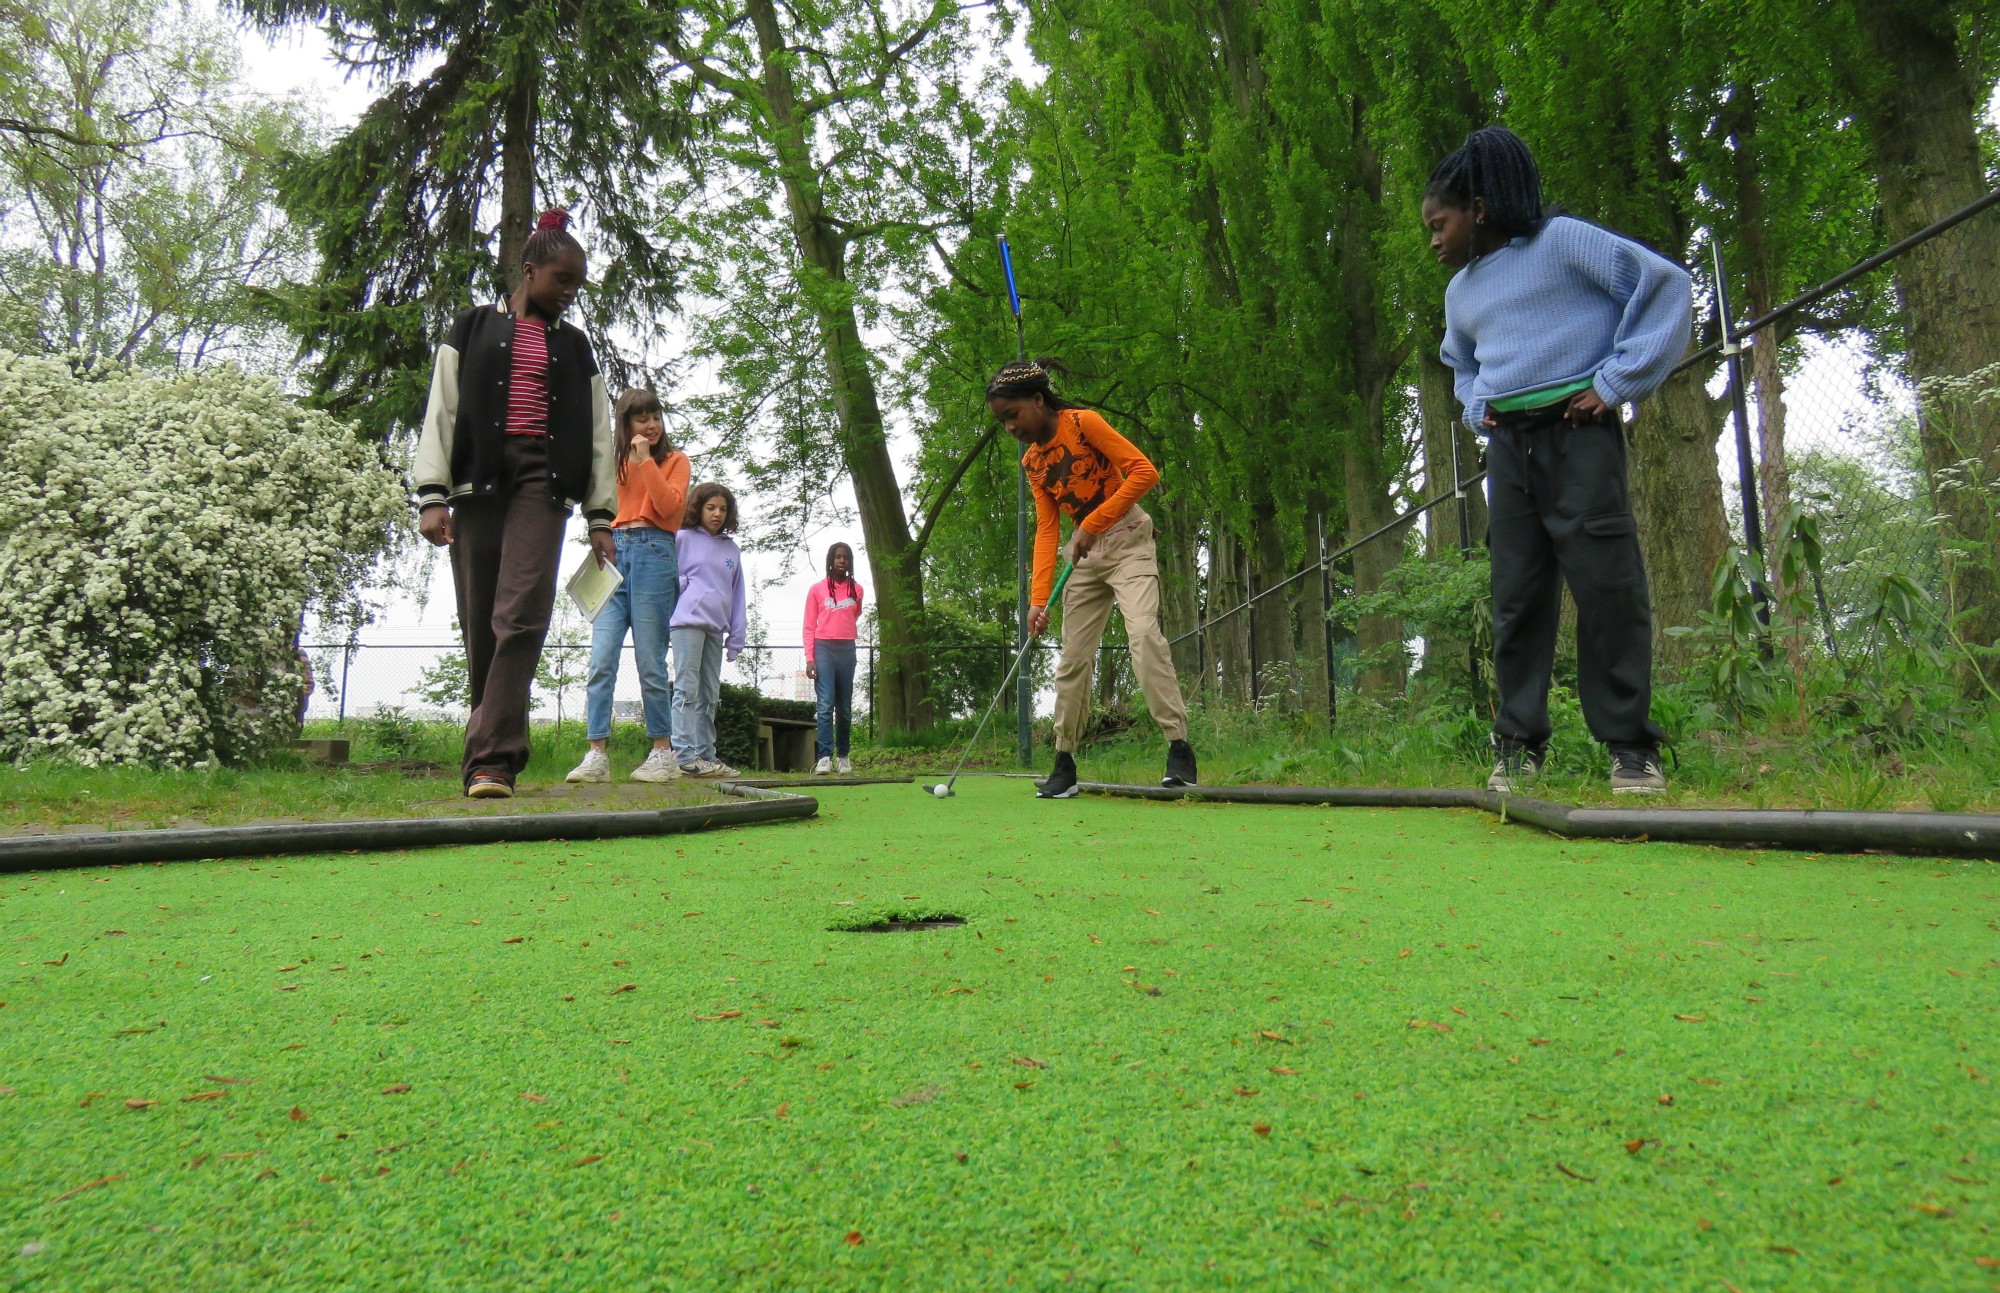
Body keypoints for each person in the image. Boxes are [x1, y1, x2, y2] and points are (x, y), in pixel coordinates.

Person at [1423, 125, 1693, 796]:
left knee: (1607, 588)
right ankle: (1517, 744)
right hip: (1509, 450)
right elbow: (1460, 365)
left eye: (1440, 223)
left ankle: (1631, 748)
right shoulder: (1460, 293)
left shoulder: (1565, 242)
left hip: (1580, 434)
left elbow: (1664, 288)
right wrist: (1475, 405)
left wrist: (1614, 383)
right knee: (1515, 597)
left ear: (1479, 209)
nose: (1433, 238)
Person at [413, 208, 616, 799]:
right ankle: (491, 740)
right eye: (563, 281)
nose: (571, 294)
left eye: (578, 284)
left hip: (543, 486)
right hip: (477, 484)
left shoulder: (576, 348)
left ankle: (493, 760)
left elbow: (599, 432)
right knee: (482, 623)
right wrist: (432, 495)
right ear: (530, 270)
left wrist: (599, 515)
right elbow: (442, 411)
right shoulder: (471, 327)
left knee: (521, 615)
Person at [986, 361, 1197, 799]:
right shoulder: (1033, 463)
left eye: (1013, 415)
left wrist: (1093, 523)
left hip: (1128, 541)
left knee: (1142, 636)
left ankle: (1179, 747)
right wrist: (1037, 601)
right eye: (1002, 421)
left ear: (1038, 400)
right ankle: (1065, 761)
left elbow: (1144, 472)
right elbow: (1047, 531)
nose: (1009, 428)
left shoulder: (1084, 424)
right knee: (1072, 660)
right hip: (1084, 557)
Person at [567, 388, 691, 785]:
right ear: (625, 424)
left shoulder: (675, 461)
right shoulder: (613, 464)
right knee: (601, 658)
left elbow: (668, 507)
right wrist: (628, 460)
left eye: (655, 416)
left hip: (655, 552)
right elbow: (596, 505)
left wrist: (644, 462)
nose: (651, 424)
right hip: (613, 554)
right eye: (642, 418)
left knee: (650, 661)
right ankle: (596, 753)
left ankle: (661, 752)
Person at [670, 482, 747, 777]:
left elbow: (737, 593)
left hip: (716, 628)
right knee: (686, 688)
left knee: (709, 693)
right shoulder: (683, 538)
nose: (717, 514)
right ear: (698, 508)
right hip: (687, 623)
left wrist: (736, 637)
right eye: (711, 508)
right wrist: (682, 587)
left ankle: (706, 756)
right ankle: (684, 755)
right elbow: (669, 578)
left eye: (723, 509)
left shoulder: (732, 549)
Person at [803, 542, 864, 775]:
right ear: (830, 560)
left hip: (847, 649)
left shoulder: (856, 590)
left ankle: (844, 757)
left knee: (845, 707)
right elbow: (809, 626)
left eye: (846, 557)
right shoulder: (817, 590)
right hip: (823, 649)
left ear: (850, 562)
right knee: (826, 704)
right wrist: (810, 657)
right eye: (837, 557)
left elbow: (854, 615)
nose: (841, 561)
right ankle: (824, 757)